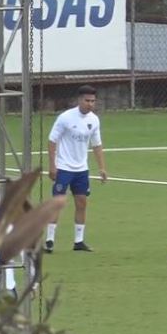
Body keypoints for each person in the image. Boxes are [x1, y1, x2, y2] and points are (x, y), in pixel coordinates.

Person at [45, 85, 107, 253]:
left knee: (82, 202)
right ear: (79, 100)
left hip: (81, 170)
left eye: (93, 101)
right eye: (87, 100)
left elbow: (97, 145)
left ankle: (79, 241)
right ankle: (49, 241)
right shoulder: (65, 118)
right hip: (64, 168)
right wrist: (52, 165)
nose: (90, 104)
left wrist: (102, 168)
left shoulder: (94, 120)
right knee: (58, 203)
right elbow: (52, 141)